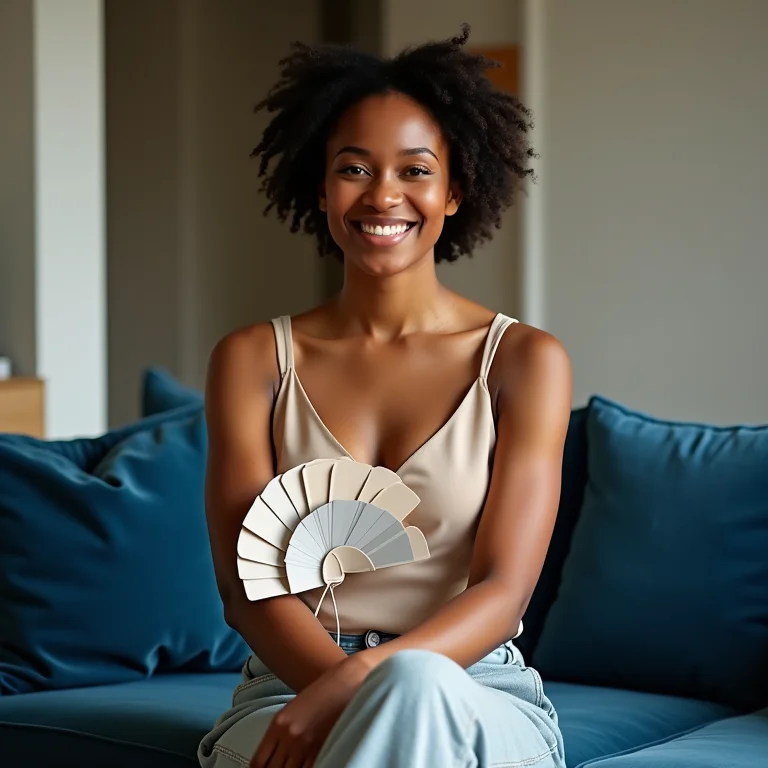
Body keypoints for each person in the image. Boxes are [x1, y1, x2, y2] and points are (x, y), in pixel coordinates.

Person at [198, 24, 571, 768]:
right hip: (287, 690)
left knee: (415, 695)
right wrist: (340, 688)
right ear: (320, 186)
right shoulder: (251, 361)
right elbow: (248, 589)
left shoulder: (525, 361)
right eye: (355, 168)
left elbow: (503, 590)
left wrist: (368, 685)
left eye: (415, 170)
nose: (384, 195)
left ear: (455, 190)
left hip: (475, 691)